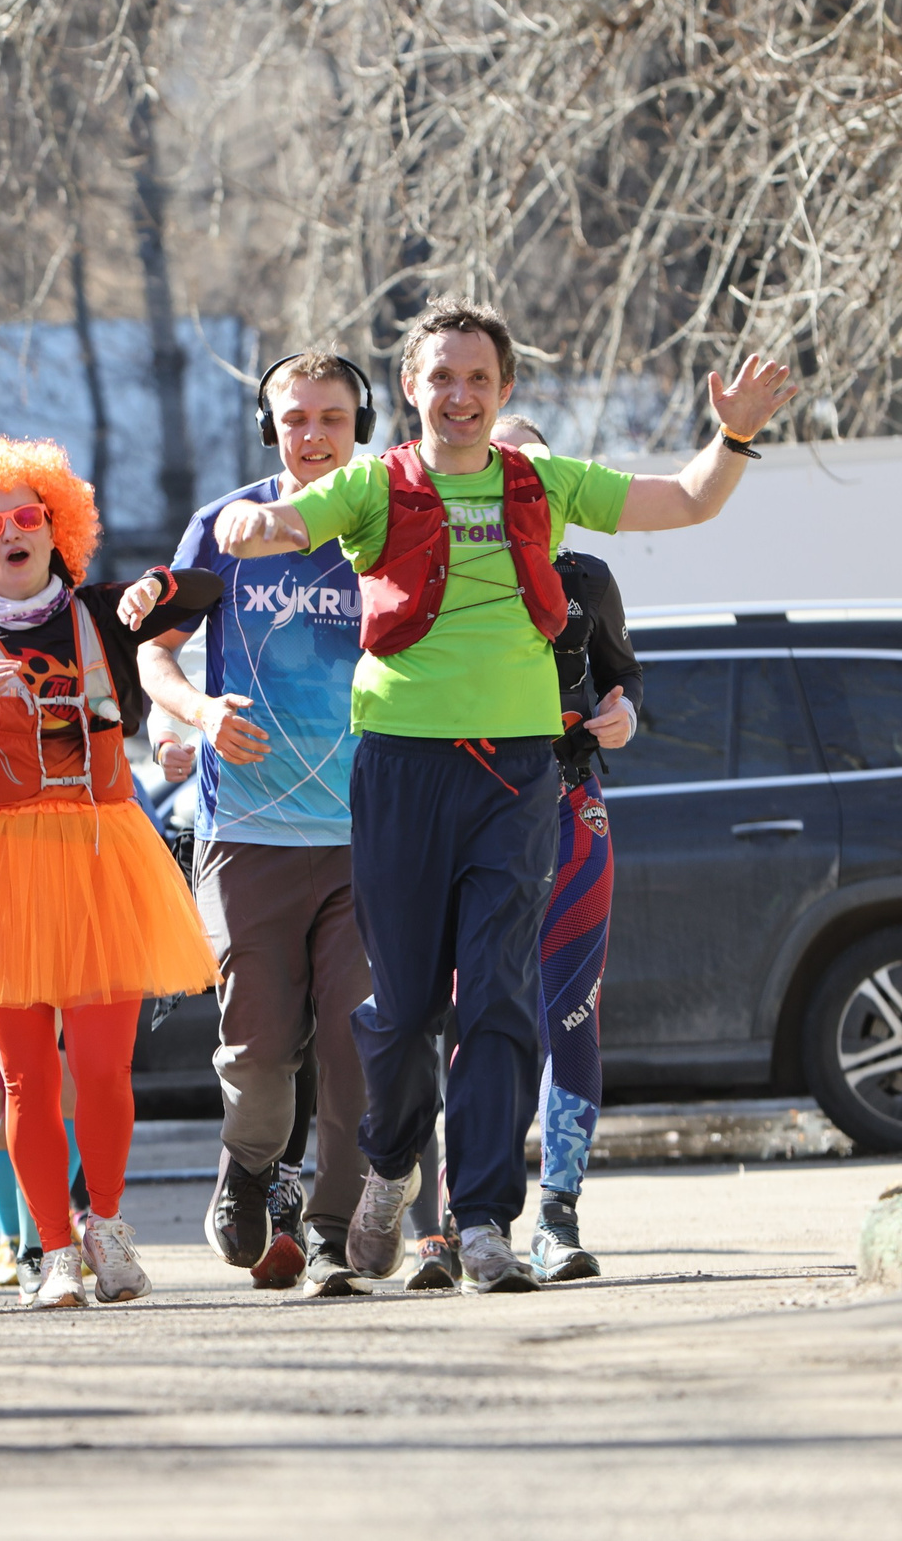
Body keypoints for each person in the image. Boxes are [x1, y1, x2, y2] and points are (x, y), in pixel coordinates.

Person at [215, 297, 794, 1293]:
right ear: (411, 388)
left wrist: (733, 435)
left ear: (506, 390)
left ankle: (482, 1220)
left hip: (518, 771)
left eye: (478, 378)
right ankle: (392, 1165)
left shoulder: (541, 481)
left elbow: (689, 500)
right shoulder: (371, 484)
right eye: (441, 376)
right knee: (397, 1013)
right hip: (399, 768)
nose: (459, 395)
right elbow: (275, 521)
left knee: (494, 998)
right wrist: (246, 519)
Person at [0, 436, 222, 1308]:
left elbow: (206, 590)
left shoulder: (102, 613)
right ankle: (52, 1252)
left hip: (100, 856)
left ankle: (108, 1227)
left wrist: (160, 587)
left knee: (104, 1070)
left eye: (27, 517)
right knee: (24, 1080)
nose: (11, 533)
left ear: (58, 527)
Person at [140, 351, 378, 1299]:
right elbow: (152, 656)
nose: (312, 436)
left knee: (355, 1036)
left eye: (331, 418)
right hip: (248, 830)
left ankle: (327, 1229)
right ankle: (247, 1166)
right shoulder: (222, 527)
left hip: (368, 833)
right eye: (294, 419)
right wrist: (198, 716)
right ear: (267, 427)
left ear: (360, 425)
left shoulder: (390, 523)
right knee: (258, 1038)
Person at [494, 414, 642, 1282]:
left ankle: (558, 1214)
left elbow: (623, 672)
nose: (531, 488)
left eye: (544, 474)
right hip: (476, 816)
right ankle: (460, 1216)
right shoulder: (452, 569)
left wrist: (622, 710)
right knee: (473, 1011)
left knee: (572, 1009)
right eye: (514, 471)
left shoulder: (587, 576)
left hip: (572, 807)